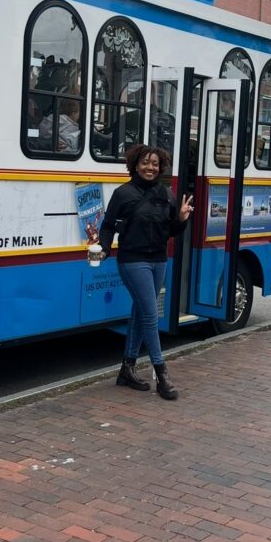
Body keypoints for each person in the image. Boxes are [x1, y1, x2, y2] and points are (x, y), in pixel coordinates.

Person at [95, 144, 193, 400]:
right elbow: (107, 227)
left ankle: (127, 368)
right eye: (145, 163)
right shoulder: (123, 194)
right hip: (132, 261)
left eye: (155, 164)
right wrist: (104, 248)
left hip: (158, 260)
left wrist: (181, 220)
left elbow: (170, 231)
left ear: (161, 168)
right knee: (151, 313)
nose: (150, 168)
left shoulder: (167, 194)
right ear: (135, 165)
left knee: (140, 312)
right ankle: (161, 375)